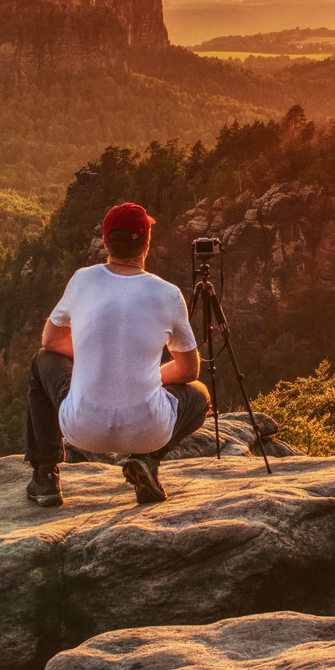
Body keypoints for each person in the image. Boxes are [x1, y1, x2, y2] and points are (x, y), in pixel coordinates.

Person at [25, 202, 211, 506]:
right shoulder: (168, 294)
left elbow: (51, 341)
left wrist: (92, 360)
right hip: (148, 431)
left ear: (104, 241)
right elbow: (189, 371)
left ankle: (45, 476)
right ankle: (148, 461)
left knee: (41, 361)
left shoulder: (82, 279)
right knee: (199, 394)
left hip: (81, 429)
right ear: (147, 243)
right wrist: (145, 376)